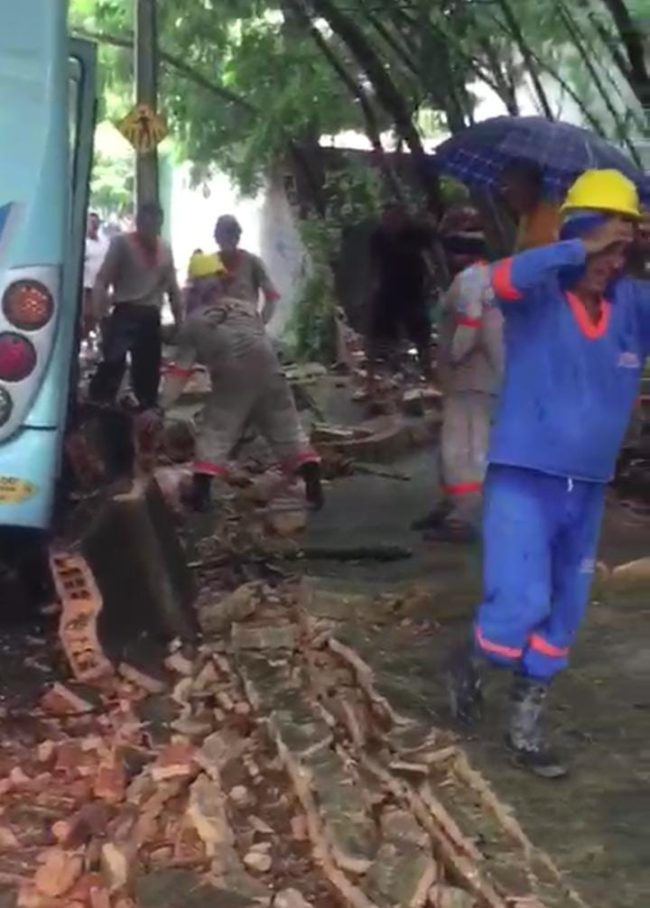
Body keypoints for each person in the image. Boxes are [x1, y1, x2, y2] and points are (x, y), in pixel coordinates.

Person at [446, 169, 649, 779]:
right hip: (523, 480)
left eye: (622, 249)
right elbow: (500, 278)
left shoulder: (634, 308)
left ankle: (525, 725)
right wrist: (575, 247)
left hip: (584, 490)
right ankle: (469, 662)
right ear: (578, 235)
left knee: (564, 613)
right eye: (601, 246)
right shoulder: (537, 296)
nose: (609, 262)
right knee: (519, 603)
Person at [160, 253, 323, 512]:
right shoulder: (245, 307)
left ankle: (200, 495)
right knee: (286, 425)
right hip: (270, 369)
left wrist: (161, 405)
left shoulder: (194, 322)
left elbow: (180, 371)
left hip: (234, 376)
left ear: (195, 286)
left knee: (217, 428)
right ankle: (313, 480)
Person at [416, 219, 504, 542]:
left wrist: (453, 355)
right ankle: (452, 506)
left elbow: (470, 323)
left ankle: (463, 516)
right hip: (481, 379)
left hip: (470, 378)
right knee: (463, 445)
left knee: (463, 450)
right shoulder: (490, 276)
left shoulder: (470, 280)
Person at [89, 203, 183, 411]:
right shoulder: (122, 244)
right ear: (138, 222)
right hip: (126, 310)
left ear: (160, 223)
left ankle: (145, 411)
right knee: (113, 362)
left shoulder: (164, 249)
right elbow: (103, 279)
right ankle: (99, 405)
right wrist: (99, 312)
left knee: (148, 370)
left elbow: (173, 288)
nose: (150, 227)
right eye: (145, 221)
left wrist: (179, 320)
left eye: (155, 222)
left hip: (150, 314)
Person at [366, 204, 434, 389]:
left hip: (413, 289)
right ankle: (372, 378)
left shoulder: (416, 233)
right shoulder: (378, 237)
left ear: (403, 219)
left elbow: (428, 257)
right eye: (386, 219)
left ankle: (427, 371)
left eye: (394, 219)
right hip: (389, 288)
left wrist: (429, 282)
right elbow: (375, 265)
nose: (390, 223)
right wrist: (374, 287)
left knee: (421, 332)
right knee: (379, 333)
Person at [213, 215, 280, 324]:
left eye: (231, 235)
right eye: (223, 236)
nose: (227, 240)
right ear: (216, 238)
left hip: (245, 323)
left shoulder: (252, 262)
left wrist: (261, 323)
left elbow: (271, 296)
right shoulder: (210, 264)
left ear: (237, 237)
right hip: (216, 324)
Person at [499, 161, 561, 251]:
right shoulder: (525, 217)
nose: (505, 193)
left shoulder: (547, 219)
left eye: (511, 188)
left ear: (532, 187)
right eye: (504, 188)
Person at [82, 212, 109, 337]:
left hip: (102, 286)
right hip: (86, 287)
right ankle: (87, 340)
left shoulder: (104, 241)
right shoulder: (82, 244)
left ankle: (98, 341)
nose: (94, 225)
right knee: (87, 316)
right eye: (91, 222)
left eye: (96, 222)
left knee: (102, 315)